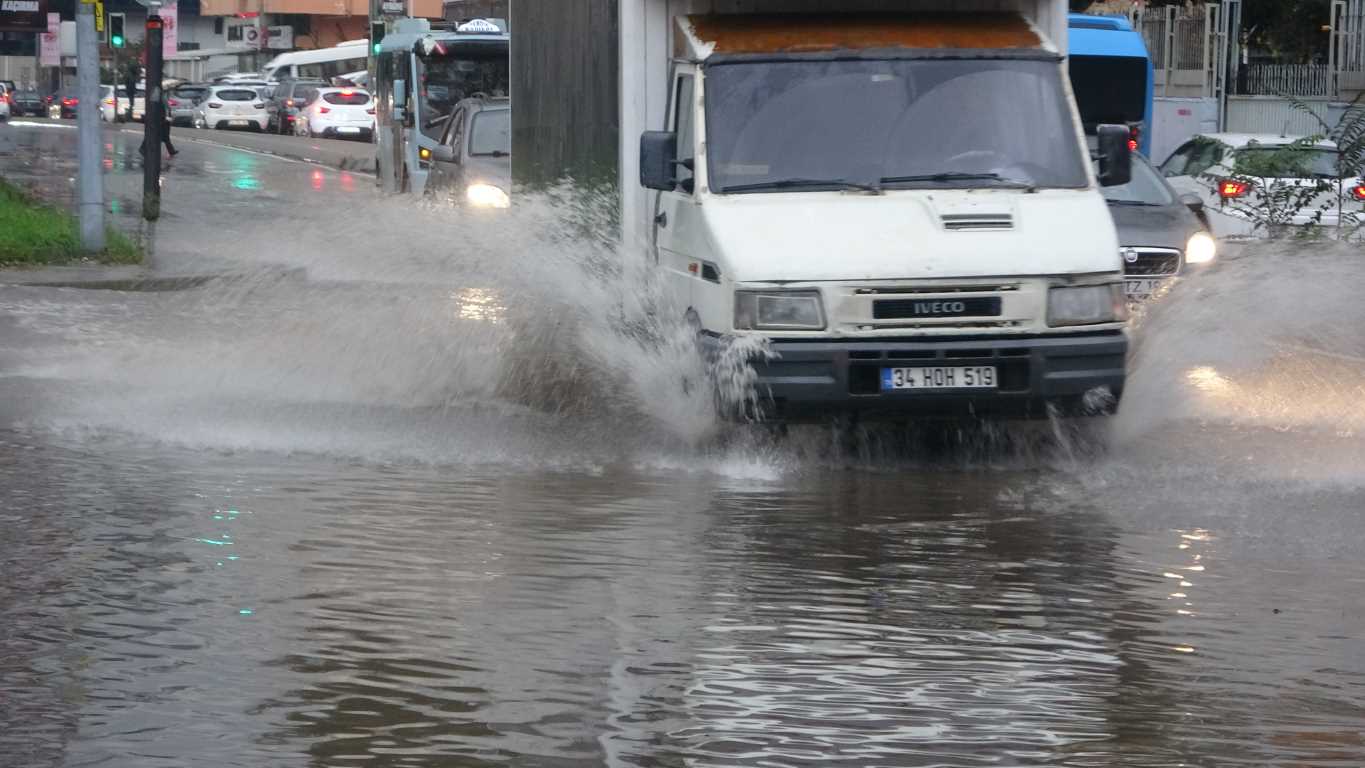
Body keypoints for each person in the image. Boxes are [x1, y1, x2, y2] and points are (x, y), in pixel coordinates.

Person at [139, 90, 178, 158]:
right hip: (160, 119)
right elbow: (162, 107)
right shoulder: (159, 96)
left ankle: (171, 150)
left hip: (161, 119)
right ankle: (143, 149)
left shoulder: (161, 96)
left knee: (162, 136)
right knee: (158, 135)